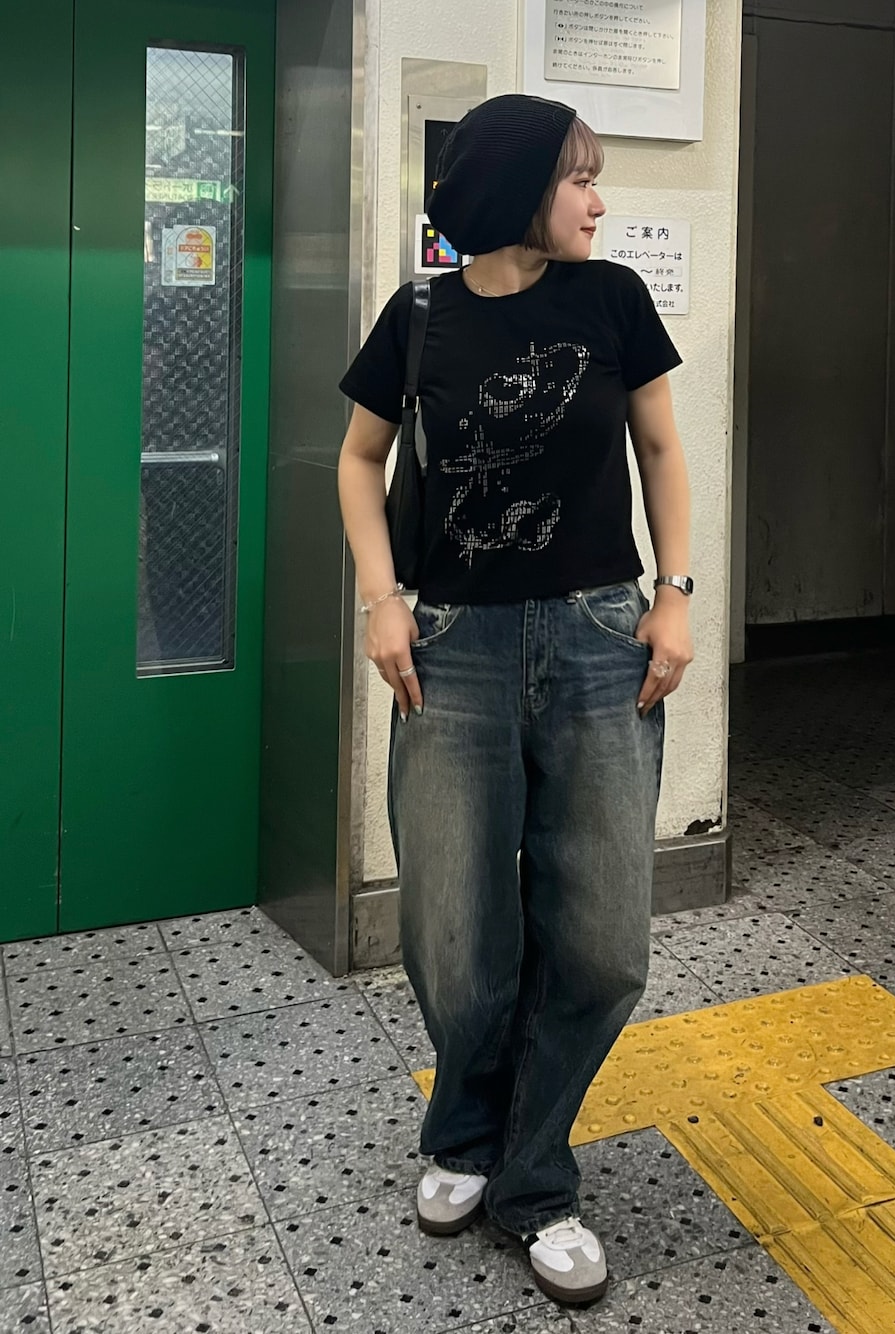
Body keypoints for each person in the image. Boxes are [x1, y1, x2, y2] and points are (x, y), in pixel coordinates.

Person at [337, 93, 693, 1306]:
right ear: (516, 186)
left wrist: (675, 593)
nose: (599, 200)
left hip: (598, 636)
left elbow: (661, 448)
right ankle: (468, 1134)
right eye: (579, 178)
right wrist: (381, 599)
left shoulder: (612, 302)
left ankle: (532, 1175)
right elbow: (359, 459)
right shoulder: (420, 315)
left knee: (601, 935)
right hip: (454, 646)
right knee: (455, 929)